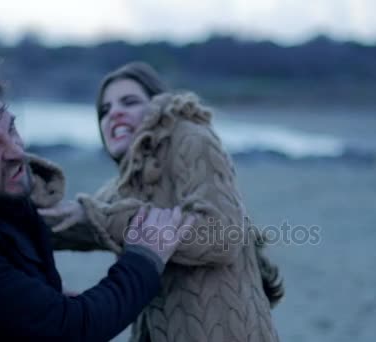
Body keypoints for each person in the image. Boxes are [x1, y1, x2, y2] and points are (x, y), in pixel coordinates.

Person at [0, 57, 193, 341]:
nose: (16, 151)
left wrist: (33, 299)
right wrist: (145, 257)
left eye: (11, 128)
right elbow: (73, 328)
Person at [39, 61, 284, 342]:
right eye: (104, 111)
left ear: (157, 108)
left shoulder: (191, 137)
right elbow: (80, 222)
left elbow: (221, 236)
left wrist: (101, 217)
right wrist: (20, 202)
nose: (114, 113)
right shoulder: (125, 184)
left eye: (129, 102)